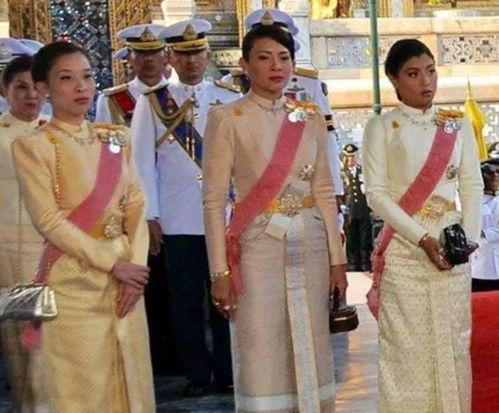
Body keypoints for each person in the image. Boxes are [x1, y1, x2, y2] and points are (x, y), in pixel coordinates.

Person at [203, 14, 347, 412]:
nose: (276, 66)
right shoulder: (227, 118)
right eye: (264, 58)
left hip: (311, 244)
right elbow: (213, 200)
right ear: (245, 65)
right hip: (257, 245)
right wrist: (219, 272)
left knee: (312, 339)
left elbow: (323, 189)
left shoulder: (309, 116)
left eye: (283, 58)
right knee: (262, 343)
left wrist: (337, 260)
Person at [11, 41, 155, 412]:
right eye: (66, 78)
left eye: (87, 77)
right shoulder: (33, 146)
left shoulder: (114, 137)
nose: (81, 87)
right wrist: (113, 264)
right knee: (82, 388)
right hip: (73, 281)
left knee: (130, 380)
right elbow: (48, 220)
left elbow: (136, 204)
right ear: (43, 88)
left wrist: (135, 270)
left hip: (126, 280)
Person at [362, 39, 482, 411]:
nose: (425, 81)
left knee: (453, 342)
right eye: (413, 74)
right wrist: (421, 238)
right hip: (406, 248)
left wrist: (469, 238)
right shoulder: (382, 127)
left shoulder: (456, 125)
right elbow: (376, 194)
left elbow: (471, 184)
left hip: (451, 246)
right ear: (394, 80)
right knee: (407, 351)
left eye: (430, 71)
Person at [131, 18, 241, 397]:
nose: (191, 60)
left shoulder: (229, 96)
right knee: (185, 302)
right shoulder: (153, 102)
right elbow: (141, 163)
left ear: (208, 55)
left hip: (224, 216)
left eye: (197, 52)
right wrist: (149, 214)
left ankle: (227, 371)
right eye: (183, 53)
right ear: (170, 58)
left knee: (227, 298)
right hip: (178, 219)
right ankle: (196, 373)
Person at [0, 55, 47, 413]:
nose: (31, 95)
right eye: (21, 88)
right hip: (12, 253)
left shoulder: (57, 131)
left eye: (36, 87)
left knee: (56, 341)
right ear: (5, 91)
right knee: (21, 341)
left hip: (59, 250)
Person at [95, 24, 169, 125]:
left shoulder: (179, 95)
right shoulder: (110, 100)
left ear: (166, 56)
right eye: (141, 53)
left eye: (155, 52)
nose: (149, 59)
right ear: (129, 58)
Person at [342, 143, 372, 271]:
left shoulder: (363, 171)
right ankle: (353, 263)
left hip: (362, 209)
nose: (351, 159)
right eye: (348, 157)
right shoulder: (342, 173)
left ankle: (365, 261)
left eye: (353, 156)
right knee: (351, 237)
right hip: (349, 211)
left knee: (365, 236)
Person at [471, 159, 499, 291]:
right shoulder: (471, 201)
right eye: (490, 172)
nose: (495, 175)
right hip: (479, 266)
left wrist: (483, 233)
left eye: (498, 172)